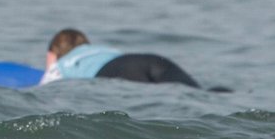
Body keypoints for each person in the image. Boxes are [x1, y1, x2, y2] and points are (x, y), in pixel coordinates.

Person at [41, 28, 204, 88]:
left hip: (116, 70)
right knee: (198, 91)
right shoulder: (99, 50)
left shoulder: (62, 64)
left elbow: (46, 88)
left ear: (52, 54)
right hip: (151, 60)